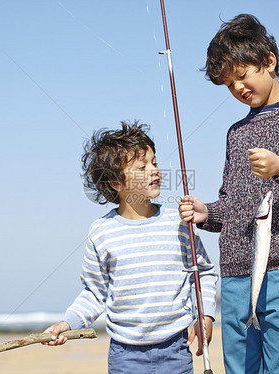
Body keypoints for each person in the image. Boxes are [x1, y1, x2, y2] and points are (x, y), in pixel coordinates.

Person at [178, 14, 279, 374]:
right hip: (235, 275)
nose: (237, 88)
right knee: (240, 369)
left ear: (270, 61)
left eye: (242, 74)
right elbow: (234, 205)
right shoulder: (236, 133)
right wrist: (208, 213)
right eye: (228, 83)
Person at [43, 121, 218, 374]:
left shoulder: (178, 223)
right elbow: (95, 292)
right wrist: (68, 323)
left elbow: (203, 273)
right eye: (141, 167)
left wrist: (205, 316)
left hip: (176, 349)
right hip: (124, 355)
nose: (154, 170)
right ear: (115, 182)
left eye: (154, 162)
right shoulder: (101, 232)